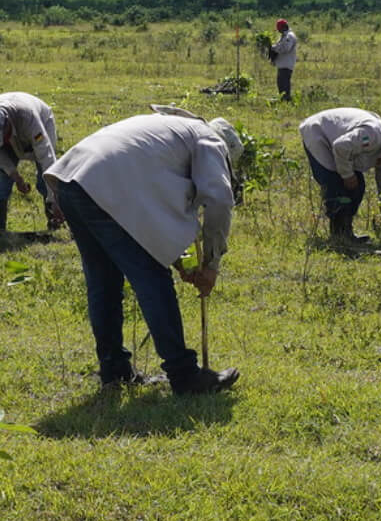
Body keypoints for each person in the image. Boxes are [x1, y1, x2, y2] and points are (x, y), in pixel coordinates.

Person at [45, 109, 242, 395]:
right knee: (153, 279)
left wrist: (181, 262)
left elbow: (150, 209)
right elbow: (220, 201)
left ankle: (115, 371)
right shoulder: (210, 141)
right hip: (105, 188)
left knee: (104, 283)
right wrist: (211, 265)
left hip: (72, 181)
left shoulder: (172, 132)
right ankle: (185, 375)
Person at [299, 107, 381, 246]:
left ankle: (346, 232)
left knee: (358, 186)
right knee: (335, 184)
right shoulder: (373, 134)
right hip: (318, 133)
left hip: (340, 145)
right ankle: (339, 236)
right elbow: (340, 146)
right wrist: (347, 175)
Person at [0, 91, 64, 233]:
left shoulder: (28, 118)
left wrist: (55, 198)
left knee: (44, 180)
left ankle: (55, 223)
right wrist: (15, 175)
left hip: (41, 123)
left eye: (1, 136)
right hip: (14, 134)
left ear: (6, 123)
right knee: (3, 179)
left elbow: (47, 158)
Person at [267, 18, 297, 101]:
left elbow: (285, 48)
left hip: (286, 65)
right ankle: (283, 99)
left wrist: (273, 48)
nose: (279, 31)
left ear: (284, 27)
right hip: (282, 64)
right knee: (280, 84)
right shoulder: (283, 36)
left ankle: (286, 100)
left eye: (279, 29)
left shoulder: (289, 36)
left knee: (284, 84)